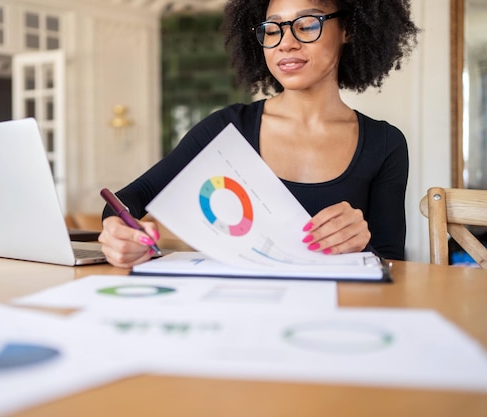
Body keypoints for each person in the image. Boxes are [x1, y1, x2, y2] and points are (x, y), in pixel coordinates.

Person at [99, 0, 419, 268]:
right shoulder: (227, 128)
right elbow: (130, 198)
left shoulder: (385, 144)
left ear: (348, 29)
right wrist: (119, 231)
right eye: (272, 28)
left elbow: (392, 262)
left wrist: (363, 247)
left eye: (306, 24)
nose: (285, 42)